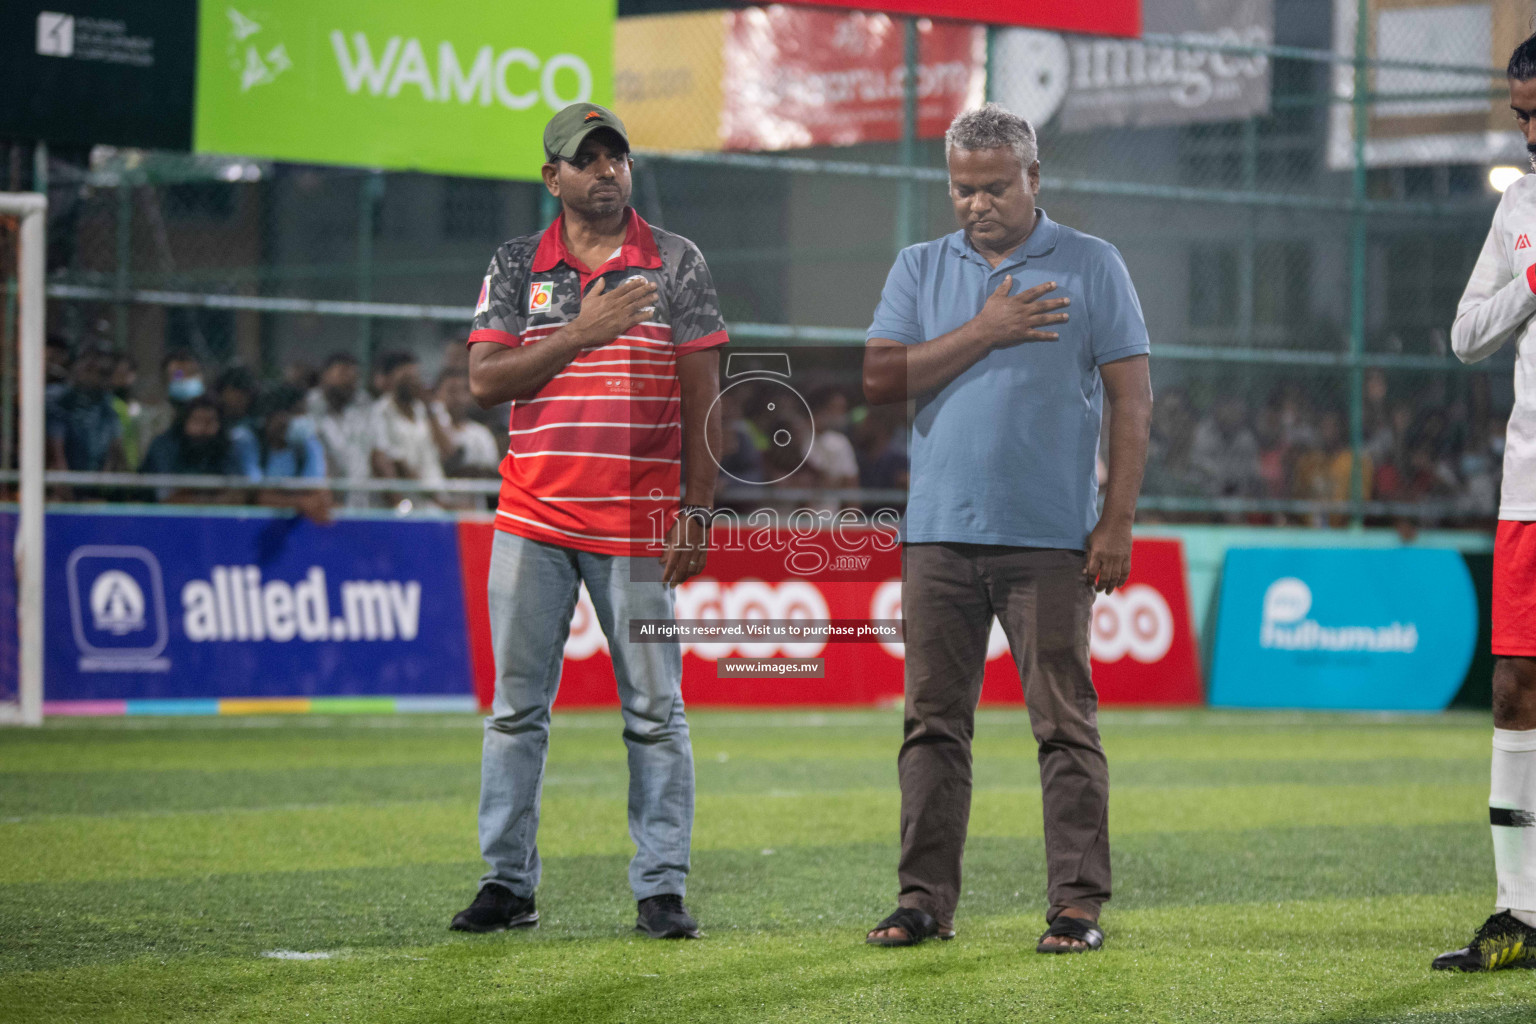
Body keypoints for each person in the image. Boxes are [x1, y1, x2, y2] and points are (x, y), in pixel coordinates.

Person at [861, 103, 1152, 953]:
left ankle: (1077, 905)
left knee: (1064, 724)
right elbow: (879, 380)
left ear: (1034, 179)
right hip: (939, 536)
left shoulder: (1095, 265)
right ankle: (923, 901)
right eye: (961, 188)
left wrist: (1118, 520)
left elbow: (1132, 400)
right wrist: (985, 329)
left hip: (1052, 539)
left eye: (992, 186)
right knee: (932, 724)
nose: (975, 203)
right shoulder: (920, 267)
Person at [453, 102, 726, 941]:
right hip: (531, 519)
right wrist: (583, 330)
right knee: (514, 711)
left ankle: (661, 890)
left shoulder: (676, 261)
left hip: (642, 530)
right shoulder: (514, 265)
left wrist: (698, 511)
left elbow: (704, 394)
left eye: (617, 157)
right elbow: (486, 382)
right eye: (587, 159)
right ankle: (507, 884)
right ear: (553, 177)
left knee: (654, 710)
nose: (606, 170)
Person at [1435, 30, 1536, 972]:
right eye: (1520, 114)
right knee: (1513, 690)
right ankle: (1518, 914)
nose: (1529, 129)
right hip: (1528, 493)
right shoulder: (1522, 208)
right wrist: (1531, 289)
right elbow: (1467, 333)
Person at [370, 350, 451, 507]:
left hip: (438, 497)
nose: (412, 383)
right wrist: (433, 499)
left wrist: (429, 408)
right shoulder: (380, 412)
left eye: (415, 377)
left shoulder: (429, 410)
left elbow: (447, 451)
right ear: (389, 380)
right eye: (405, 378)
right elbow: (395, 463)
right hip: (409, 502)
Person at [139, 395, 248, 505]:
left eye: (210, 422)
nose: (202, 428)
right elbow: (167, 497)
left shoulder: (225, 446)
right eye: (197, 420)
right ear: (185, 421)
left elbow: (237, 494)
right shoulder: (165, 446)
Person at [252, 385, 331, 523]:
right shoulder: (254, 445)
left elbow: (319, 493)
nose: (300, 420)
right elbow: (257, 496)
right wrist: (300, 503)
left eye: (302, 413)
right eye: (295, 413)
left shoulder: (309, 446)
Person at [306, 352, 376, 509]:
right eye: (343, 374)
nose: (349, 381)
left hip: (360, 499)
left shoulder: (363, 405)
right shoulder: (308, 407)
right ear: (325, 376)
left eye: (354, 376)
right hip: (322, 503)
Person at [45, 344, 124, 475]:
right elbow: (55, 456)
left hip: (93, 488)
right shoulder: (56, 400)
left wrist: (102, 487)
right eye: (90, 369)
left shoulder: (108, 408)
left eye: (104, 373)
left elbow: (114, 452)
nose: (96, 378)